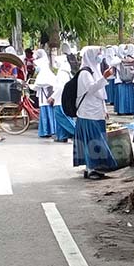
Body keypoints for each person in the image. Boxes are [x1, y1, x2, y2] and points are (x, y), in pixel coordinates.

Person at [74, 46, 117, 179]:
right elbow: (92, 89)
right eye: (98, 54)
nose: (100, 56)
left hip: (96, 112)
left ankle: (93, 168)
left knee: (97, 141)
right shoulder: (85, 73)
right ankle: (91, 169)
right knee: (92, 141)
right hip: (88, 113)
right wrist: (104, 78)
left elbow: (100, 93)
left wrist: (104, 109)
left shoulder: (94, 71)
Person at [50, 52, 76, 143]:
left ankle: (77, 132)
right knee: (61, 119)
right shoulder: (65, 72)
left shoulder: (62, 73)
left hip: (60, 99)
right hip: (62, 99)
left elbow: (60, 87)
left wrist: (52, 97)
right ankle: (61, 136)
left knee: (64, 118)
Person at [33, 49, 56, 138]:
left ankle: (46, 131)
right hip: (45, 95)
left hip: (45, 96)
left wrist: (33, 86)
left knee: (45, 113)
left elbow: (41, 82)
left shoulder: (44, 70)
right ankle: (49, 130)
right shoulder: (45, 68)